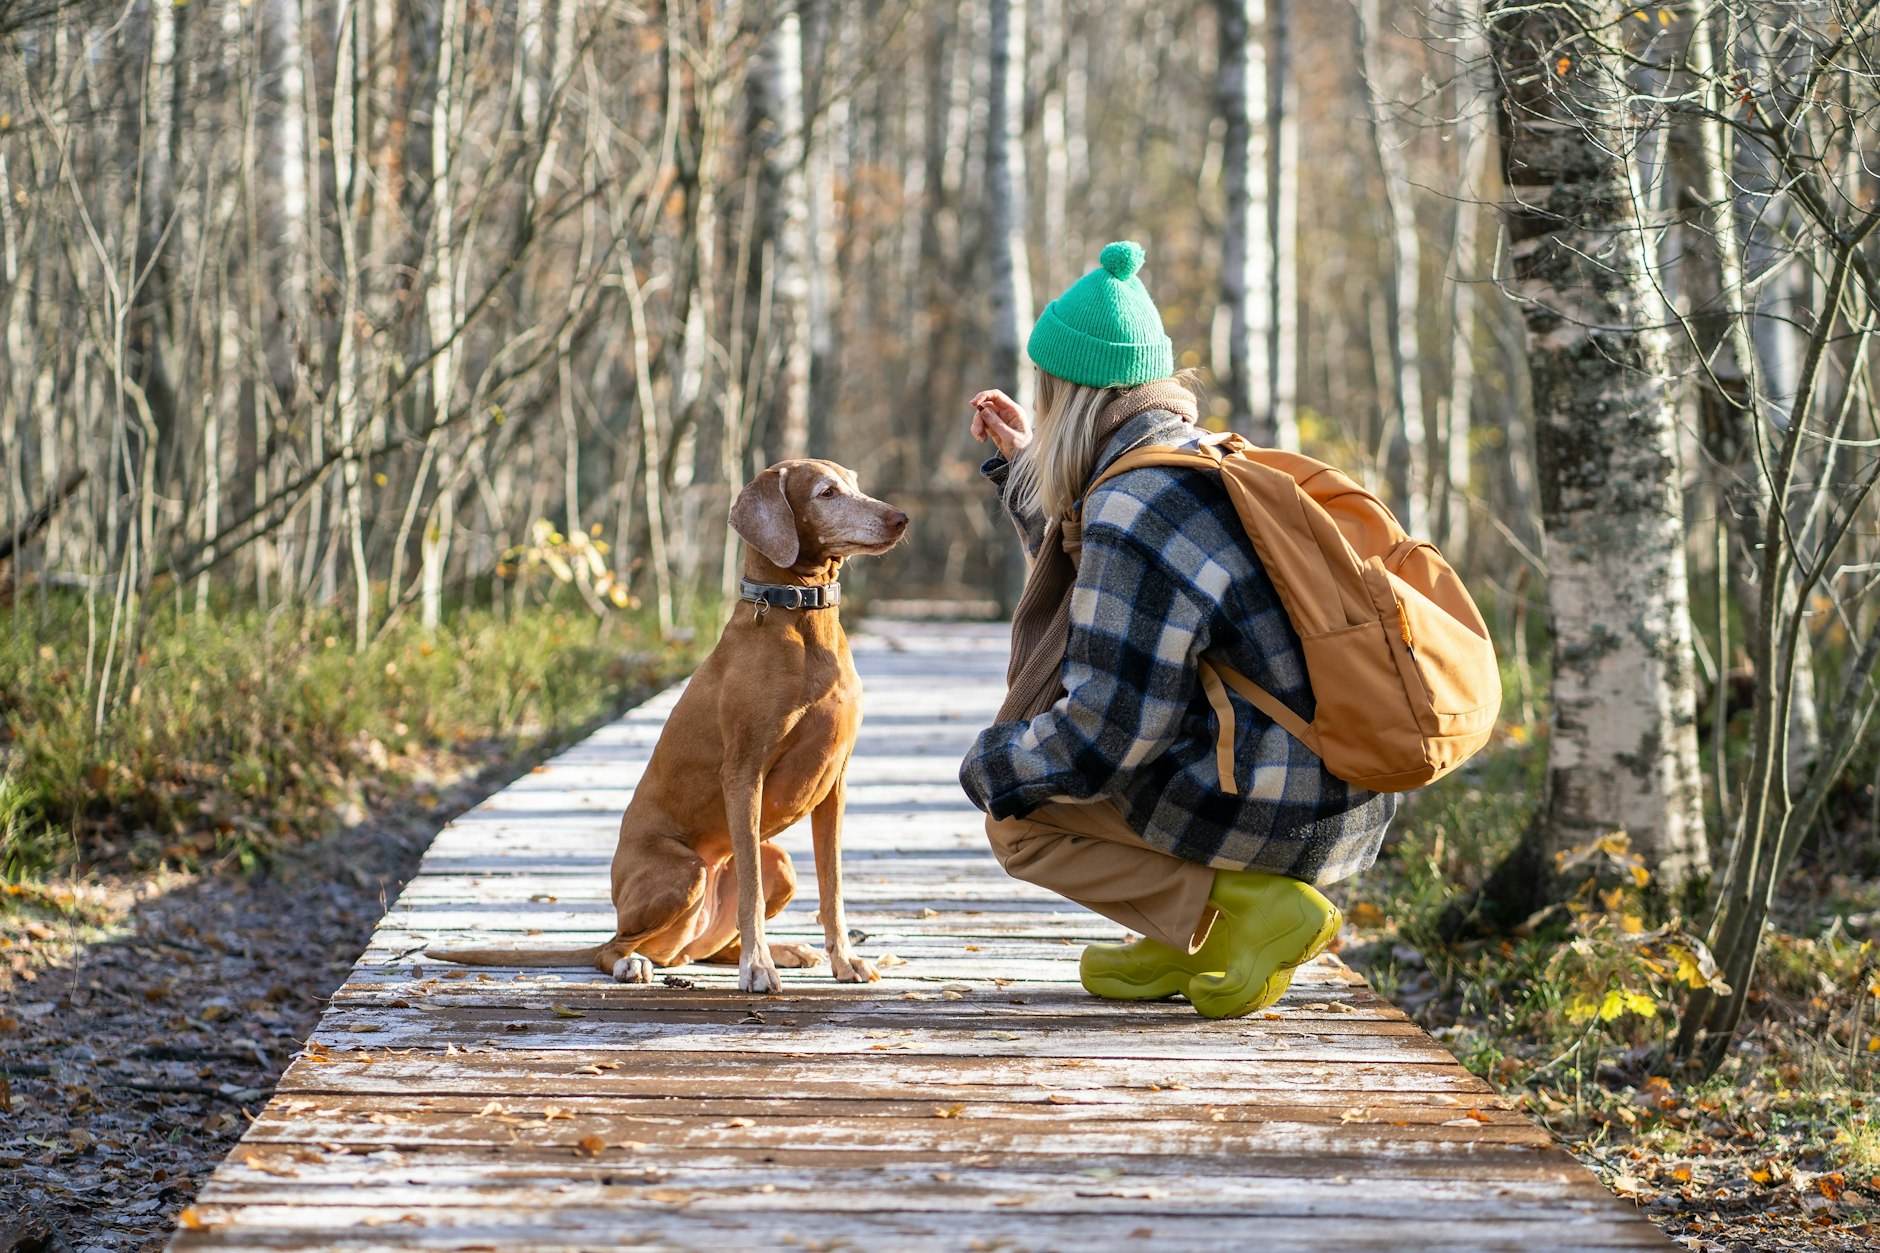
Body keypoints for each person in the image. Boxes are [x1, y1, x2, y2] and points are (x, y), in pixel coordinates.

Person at [959, 240, 1397, 1020]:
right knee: (1056, 773)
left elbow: (1108, 729)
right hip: (1334, 793)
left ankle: (1250, 908)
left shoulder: (1137, 506)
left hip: (1278, 808)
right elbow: (1101, 587)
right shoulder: (1189, 460)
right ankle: (1189, 933)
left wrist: (993, 766)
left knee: (1016, 819)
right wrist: (1027, 470)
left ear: (1073, 395)